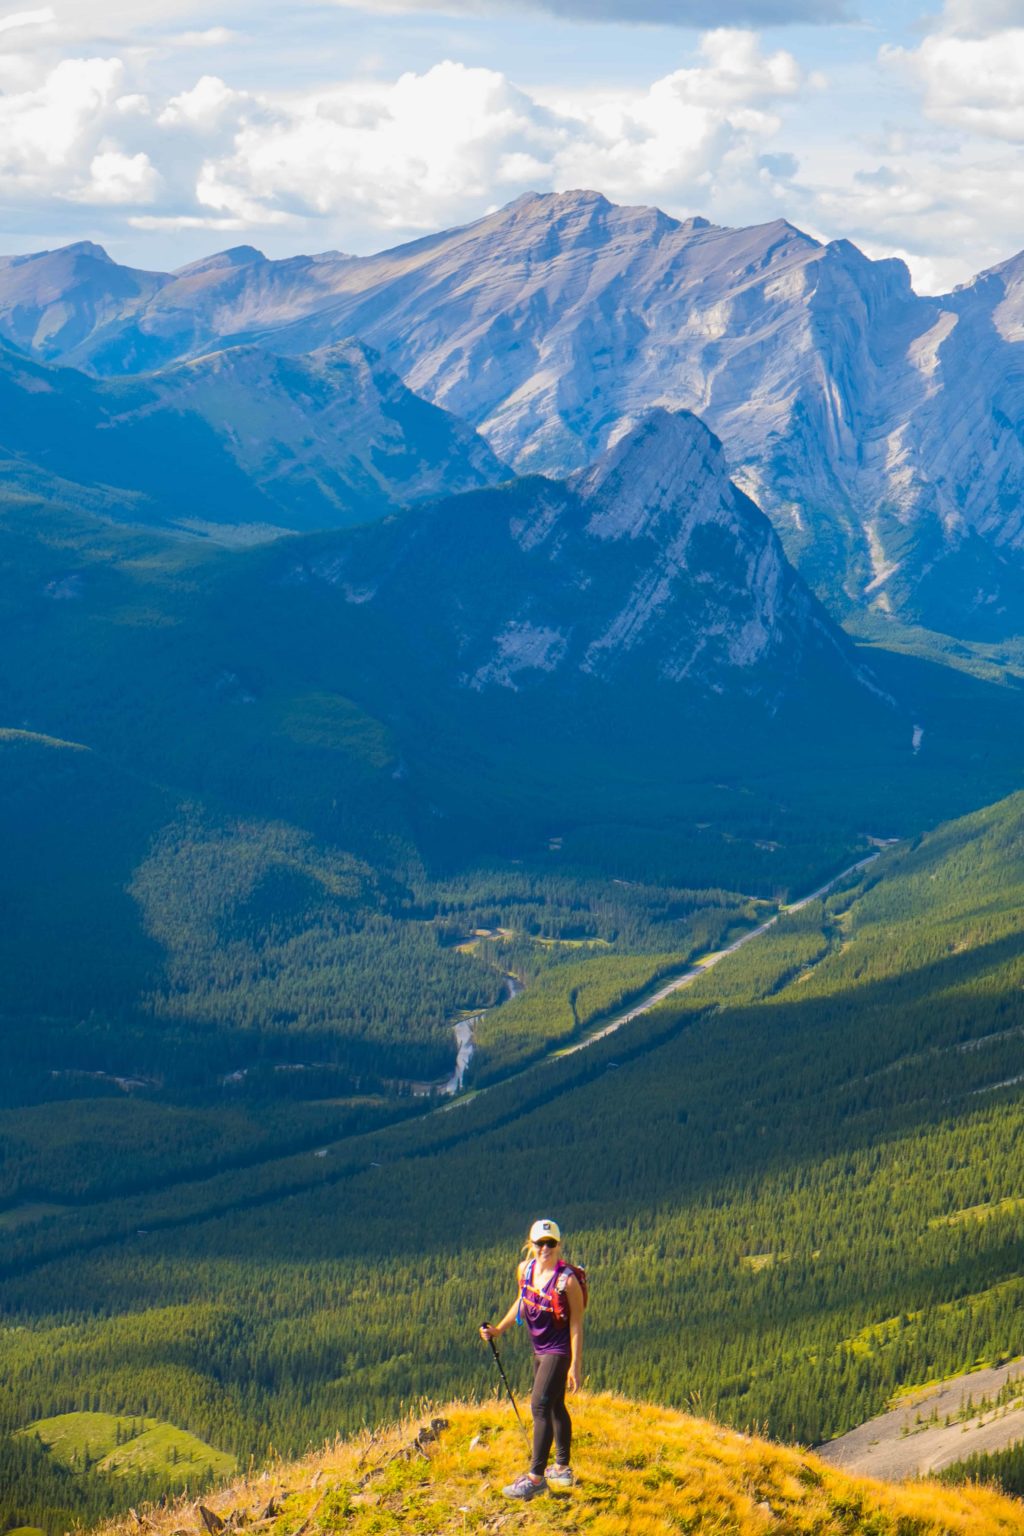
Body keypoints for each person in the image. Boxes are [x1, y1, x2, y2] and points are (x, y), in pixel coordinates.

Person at [479, 1217, 584, 1500]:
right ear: (531, 1244)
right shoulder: (525, 1270)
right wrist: (499, 1329)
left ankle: (536, 1478)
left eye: (550, 1243)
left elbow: (576, 1323)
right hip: (539, 1348)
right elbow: (522, 1300)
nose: (545, 1248)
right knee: (555, 1406)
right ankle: (561, 1469)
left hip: (557, 1351)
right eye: (540, 1243)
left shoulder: (568, 1281)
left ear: (558, 1245)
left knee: (539, 1405)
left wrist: (575, 1363)